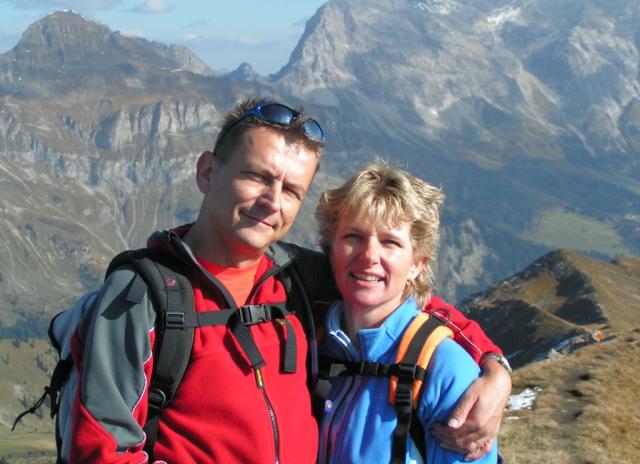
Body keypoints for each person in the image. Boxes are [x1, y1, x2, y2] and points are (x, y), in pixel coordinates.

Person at [67, 98, 509, 463]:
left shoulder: (296, 276)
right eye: (257, 176)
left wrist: (493, 367)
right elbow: (102, 451)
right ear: (207, 172)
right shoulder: (143, 297)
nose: (272, 201)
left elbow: (393, 299)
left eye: (292, 190)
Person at [315, 162, 501, 464]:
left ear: (417, 264)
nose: (369, 255)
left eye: (390, 242)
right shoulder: (307, 342)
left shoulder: (445, 370)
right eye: (353, 237)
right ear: (331, 249)